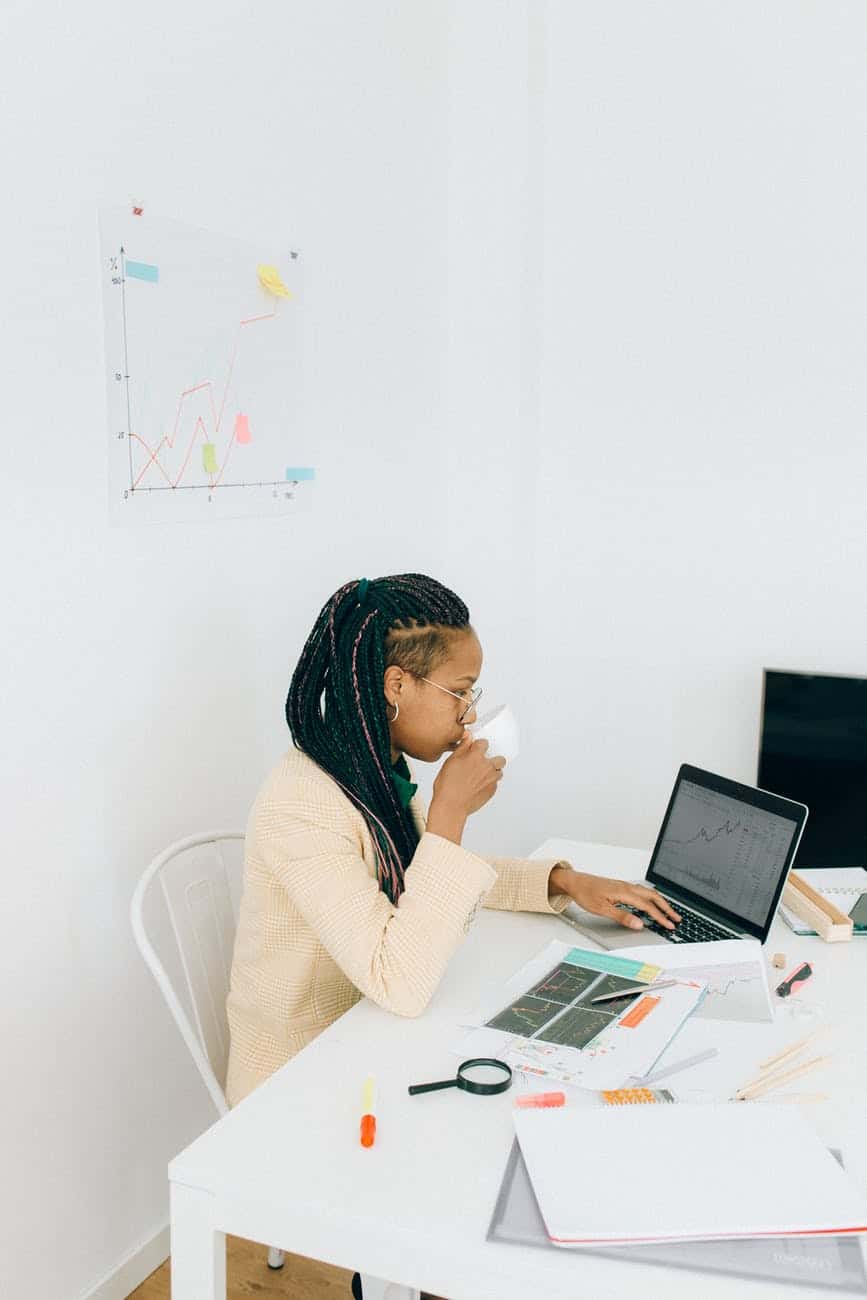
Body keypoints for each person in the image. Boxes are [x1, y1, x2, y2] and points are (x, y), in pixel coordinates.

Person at [225, 574, 679, 1297]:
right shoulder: (303, 804)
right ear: (396, 686)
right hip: (302, 1076)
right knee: (504, 1133)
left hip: (370, 1032)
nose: (471, 715)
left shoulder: (369, 764)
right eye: (462, 691)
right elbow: (399, 977)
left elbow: (420, 879)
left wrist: (560, 881)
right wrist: (448, 818)